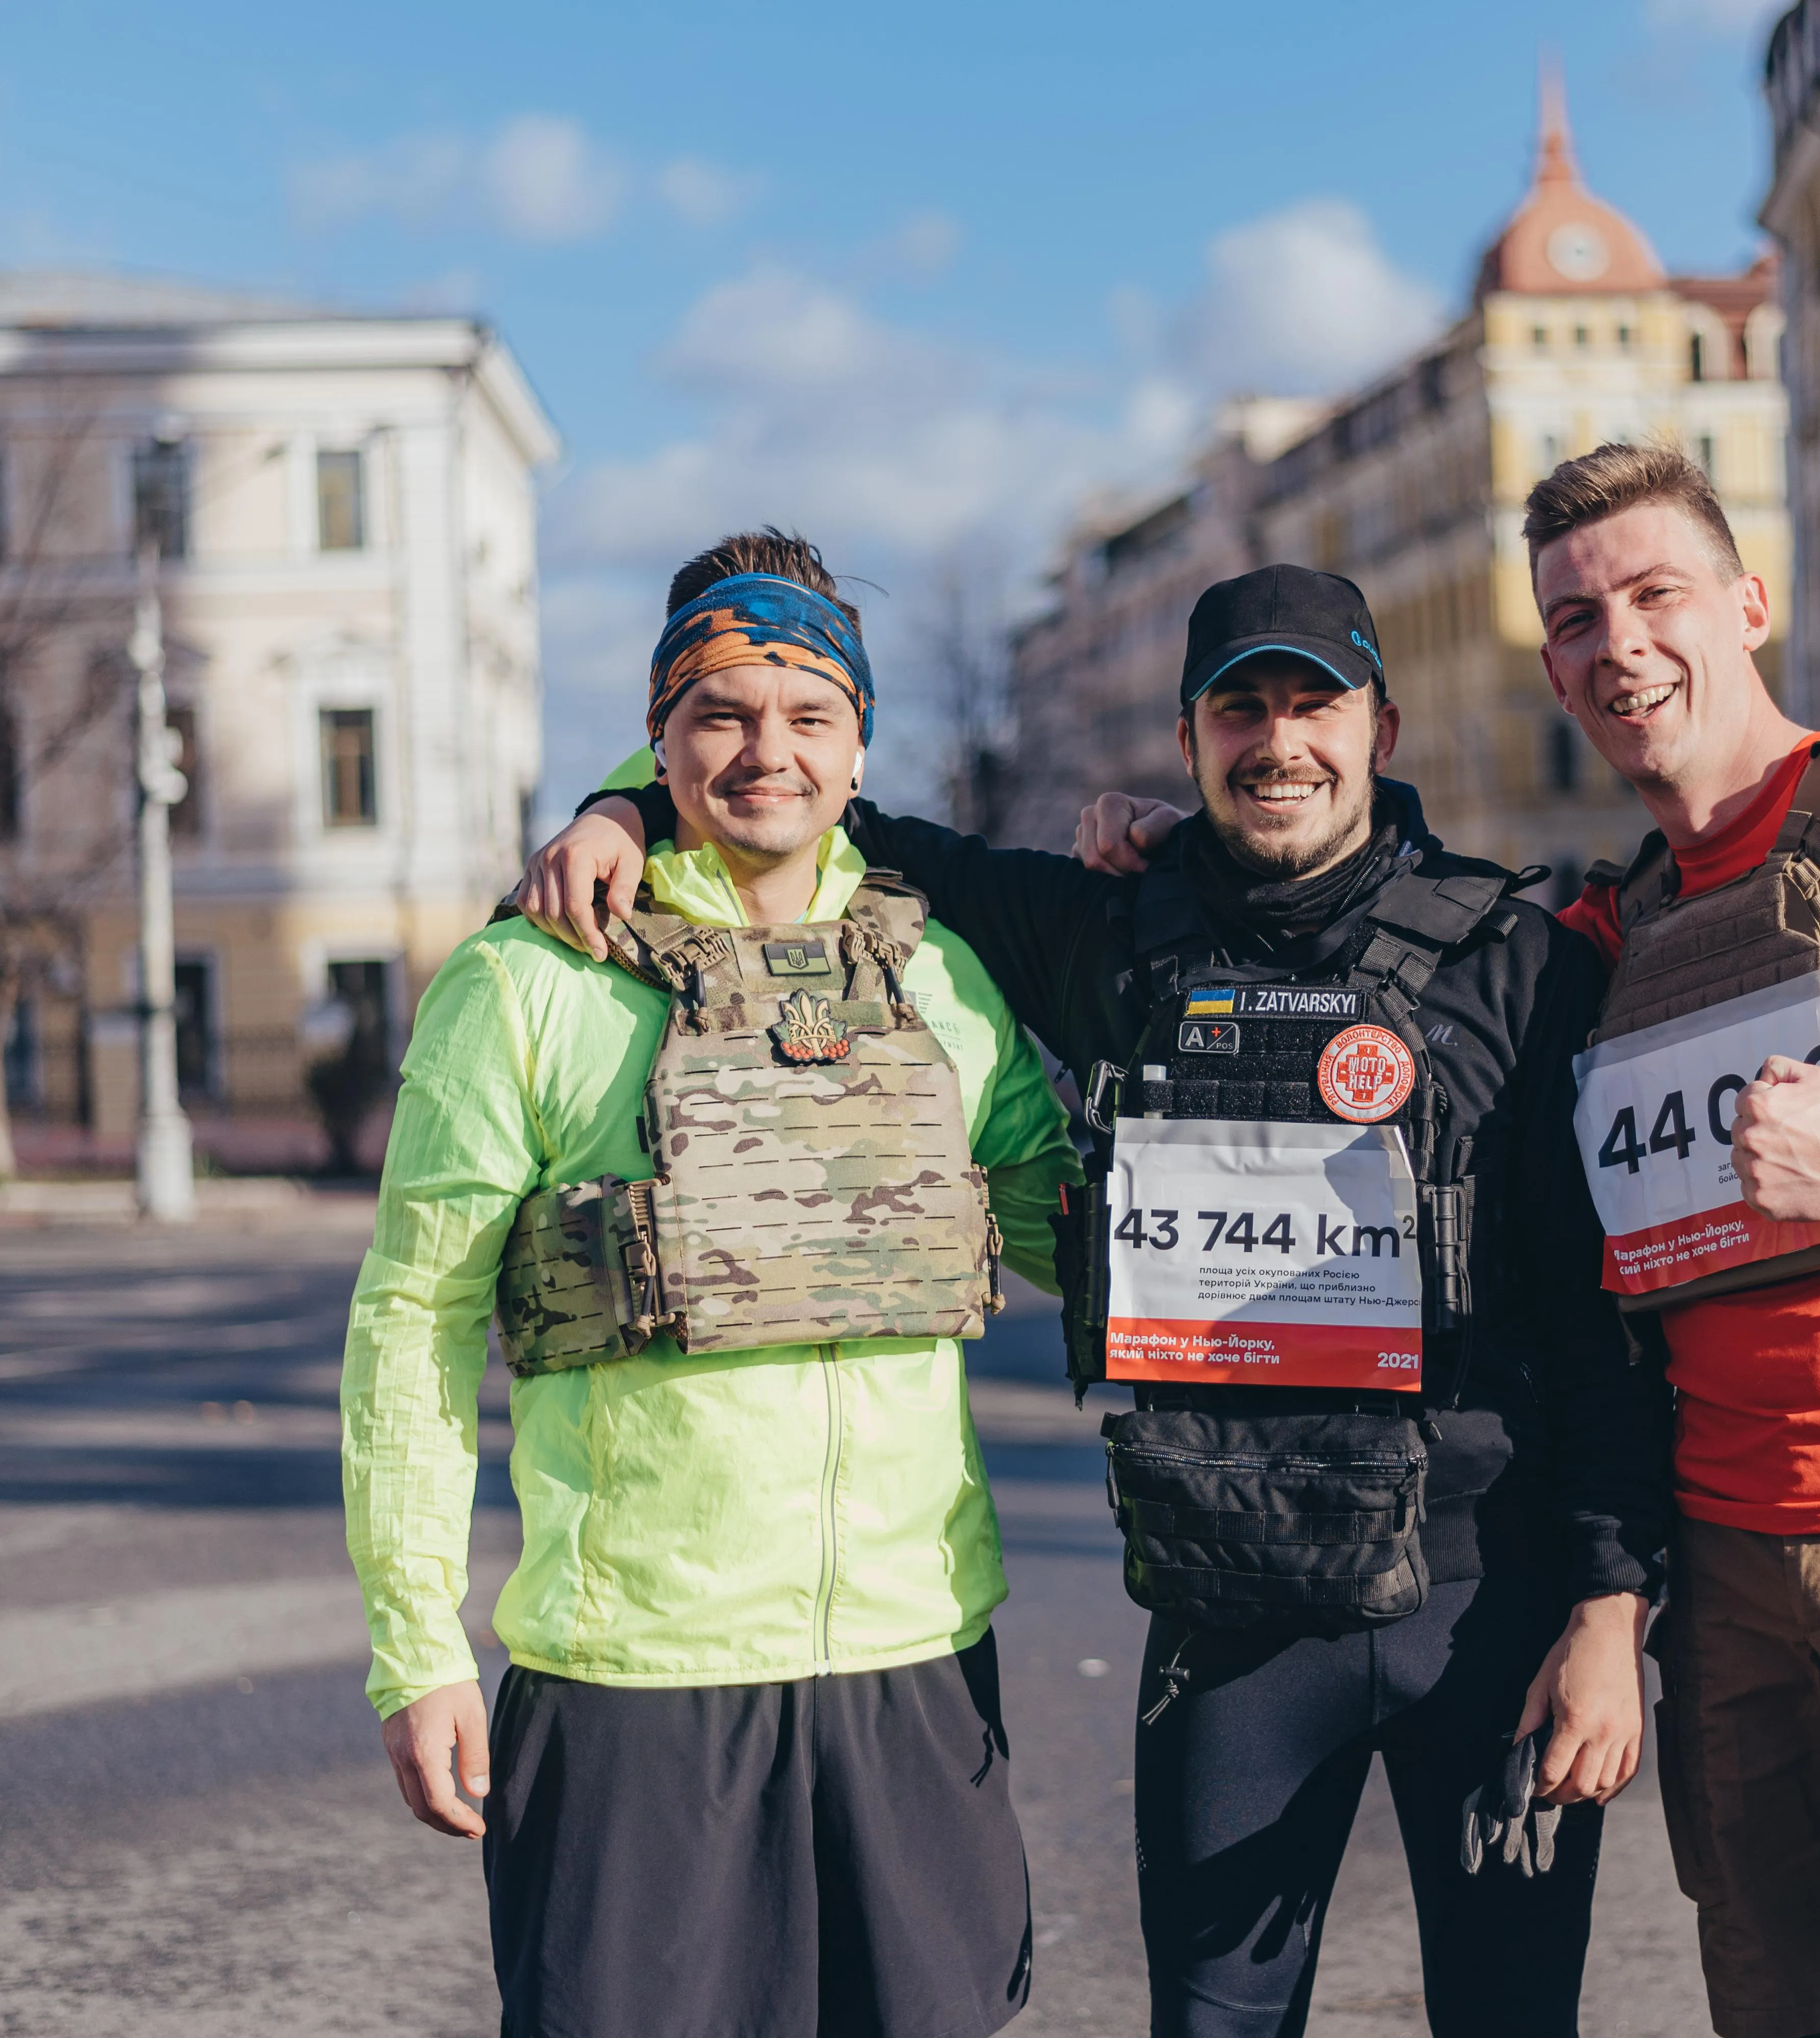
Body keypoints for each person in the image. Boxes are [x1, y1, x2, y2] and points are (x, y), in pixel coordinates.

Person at [1074, 446, 1820, 2038]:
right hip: (1731, 1572)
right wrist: (1169, 850)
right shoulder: (1607, 935)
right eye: (1576, 618)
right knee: (1794, 2015)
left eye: (1656, 594)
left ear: (1751, 602)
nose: (1620, 645)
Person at [523, 564, 1673, 2038]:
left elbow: (1599, 1336)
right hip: (1229, 1617)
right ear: (1189, 740)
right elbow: (801, 787)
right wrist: (618, 808)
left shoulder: (1514, 958)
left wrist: (1607, 1605)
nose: (1280, 742)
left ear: (1383, 728)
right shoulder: (1099, 932)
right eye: (1238, 708)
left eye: (1315, 704)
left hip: (1485, 1604)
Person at [342, 530, 1079, 2038]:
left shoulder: (938, 983)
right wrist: (416, 1650)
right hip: (638, 1677)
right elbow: (415, 1321)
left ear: (862, 744)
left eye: (809, 716)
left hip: (911, 1657)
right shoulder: (531, 981)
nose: (768, 754)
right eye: (721, 715)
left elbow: (1075, 1235)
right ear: (660, 736)